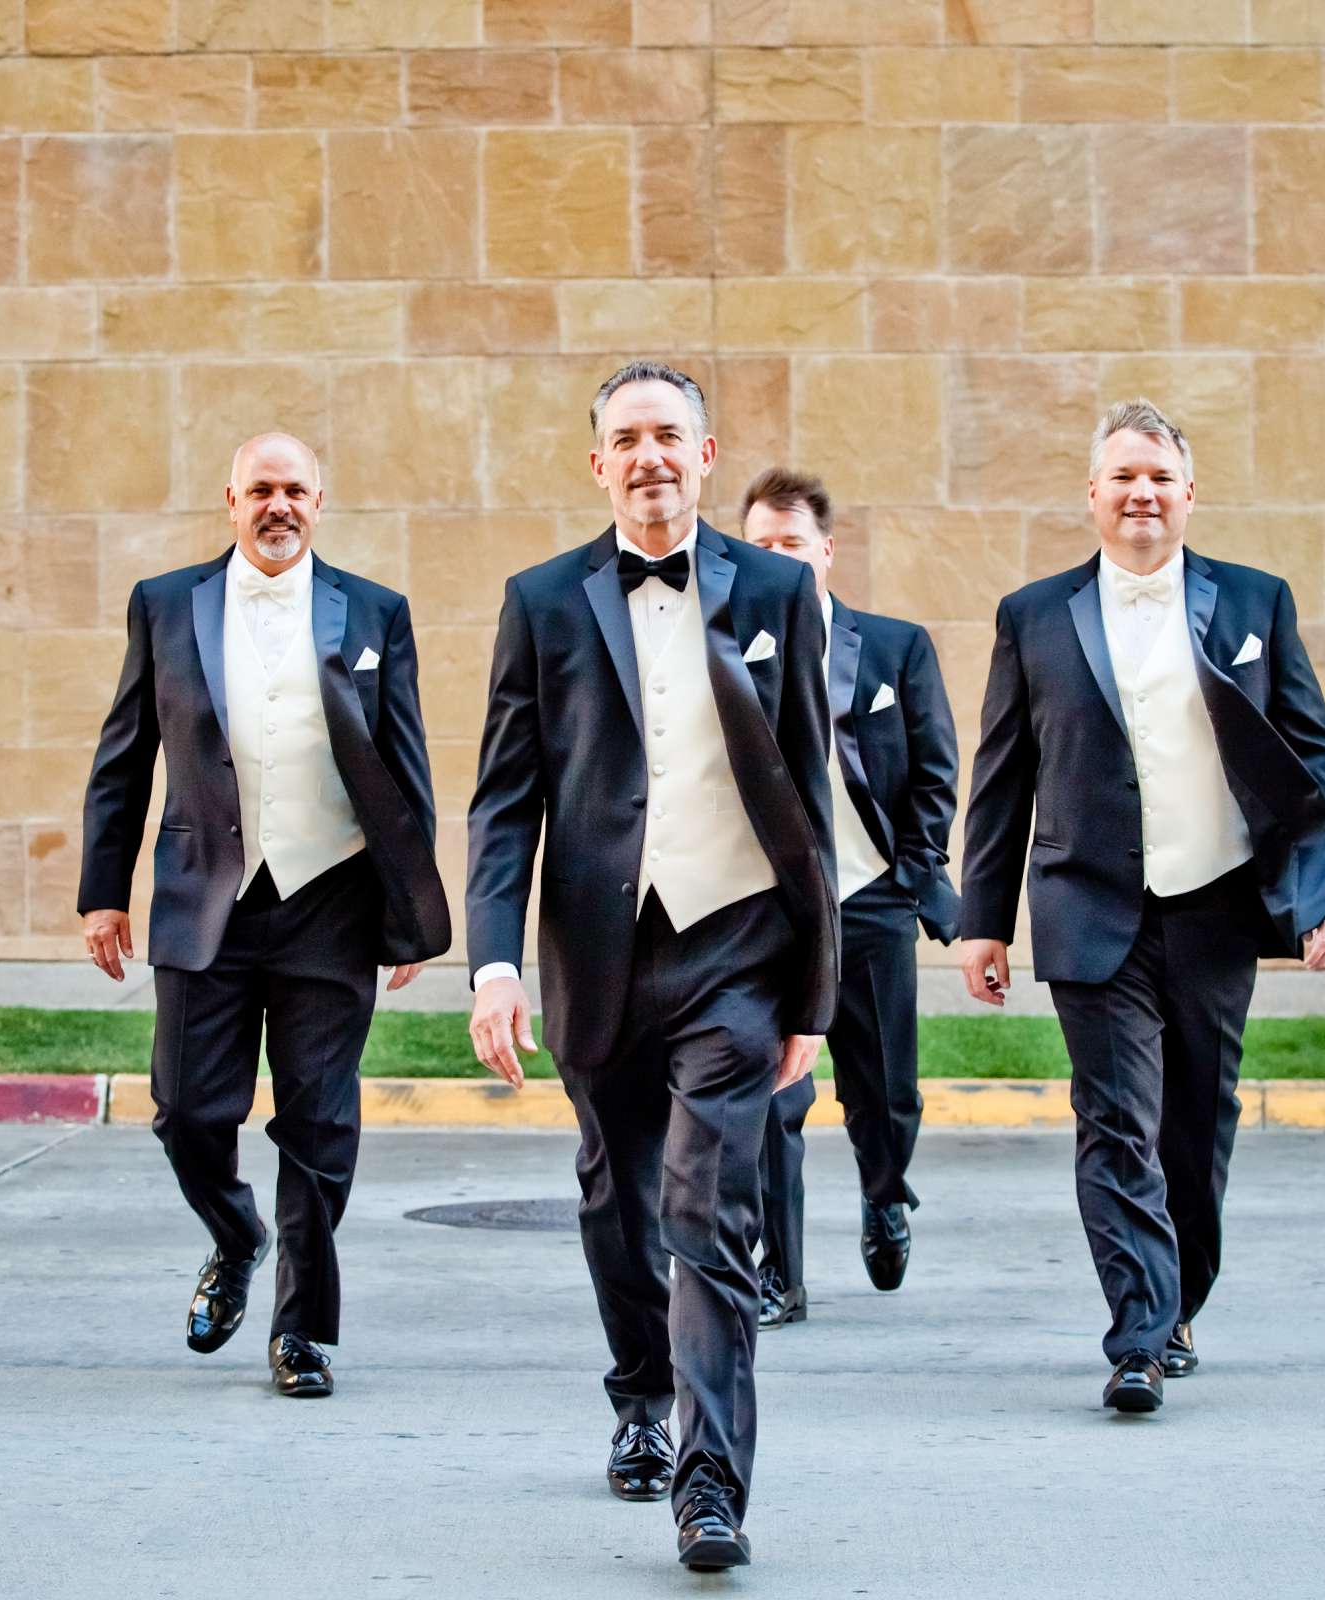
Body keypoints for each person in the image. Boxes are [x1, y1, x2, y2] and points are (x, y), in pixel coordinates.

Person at [465, 361, 836, 1571]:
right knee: (618, 1202)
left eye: (668, 434)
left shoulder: (779, 589)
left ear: (707, 452)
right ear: (597, 464)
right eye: (626, 439)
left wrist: (815, 995)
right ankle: (639, 1391)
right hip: (599, 953)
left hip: (737, 954)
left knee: (709, 1210)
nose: (650, 456)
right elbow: (505, 799)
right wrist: (494, 964)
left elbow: (809, 798)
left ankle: (710, 1483)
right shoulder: (543, 601)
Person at [955, 398, 1325, 1414]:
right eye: (1123, 476)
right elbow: (1002, 777)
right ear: (1092, 495)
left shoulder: (1257, 603)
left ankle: (1180, 1305)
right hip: (1090, 907)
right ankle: (1136, 1332)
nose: (1142, 494)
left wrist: (1322, 887)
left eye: (1160, 477)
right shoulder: (1033, 615)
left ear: (1187, 495)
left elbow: (1311, 757)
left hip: (1215, 903)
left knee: (1195, 1122)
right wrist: (982, 918)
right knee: (1117, 1119)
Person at [78, 432, 448, 1400]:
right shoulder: (166, 605)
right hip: (209, 896)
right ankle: (236, 1234)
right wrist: (102, 889)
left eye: (295, 490)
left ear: (320, 502)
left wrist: (411, 912)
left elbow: (407, 769)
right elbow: (125, 756)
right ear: (230, 500)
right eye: (260, 491)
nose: (278, 505)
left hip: (333, 896)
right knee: (188, 1110)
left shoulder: (375, 611)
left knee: (320, 1121)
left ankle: (302, 1331)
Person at [739, 469, 959, 1329]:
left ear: (825, 553)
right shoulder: (722, 649)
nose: (777, 559)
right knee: (767, 1101)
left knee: (885, 1093)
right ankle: (778, 1276)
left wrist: (913, 872)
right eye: (759, 546)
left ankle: (885, 1191)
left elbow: (934, 772)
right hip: (765, 910)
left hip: (870, 903)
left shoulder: (894, 649)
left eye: (791, 543)